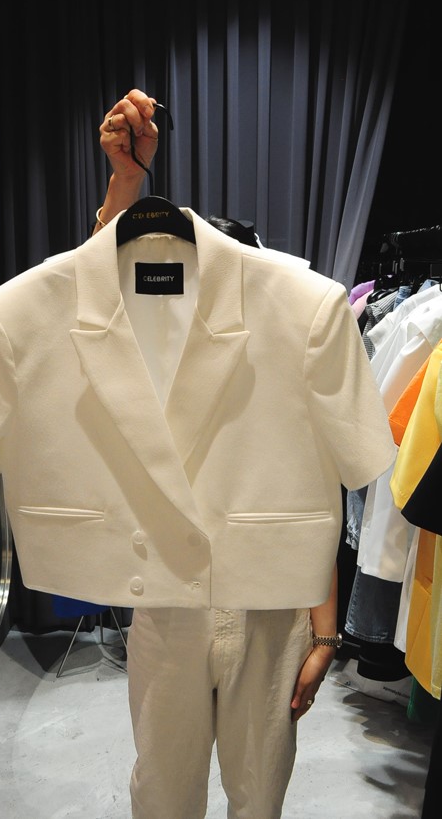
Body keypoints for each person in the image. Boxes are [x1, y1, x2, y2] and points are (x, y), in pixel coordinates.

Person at [93, 89, 344, 818]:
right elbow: (100, 294)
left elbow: (319, 492)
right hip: (168, 607)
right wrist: (125, 184)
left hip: (272, 611)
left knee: (258, 797)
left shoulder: (295, 350)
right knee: (163, 795)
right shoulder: (150, 362)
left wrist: (324, 634)